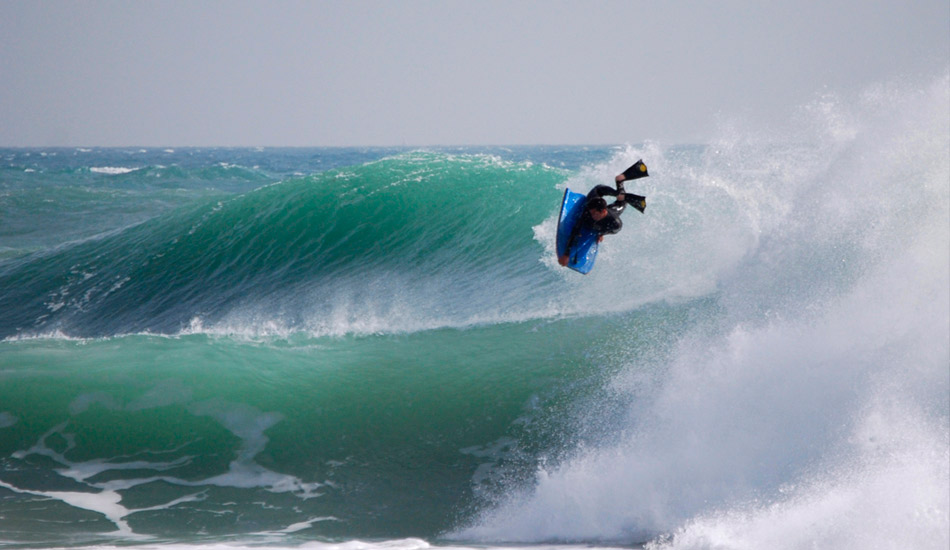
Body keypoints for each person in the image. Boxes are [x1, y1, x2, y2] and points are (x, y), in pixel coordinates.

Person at [558, 160, 648, 267]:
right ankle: (617, 192)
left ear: (604, 211)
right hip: (599, 191)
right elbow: (576, 229)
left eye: (595, 214)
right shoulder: (589, 211)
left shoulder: (615, 222)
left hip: (614, 210)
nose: (592, 216)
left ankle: (620, 181)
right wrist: (567, 254)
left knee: (621, 202)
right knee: (597, 194)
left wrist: (601, 233)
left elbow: (613, 231)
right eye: (592, 213)